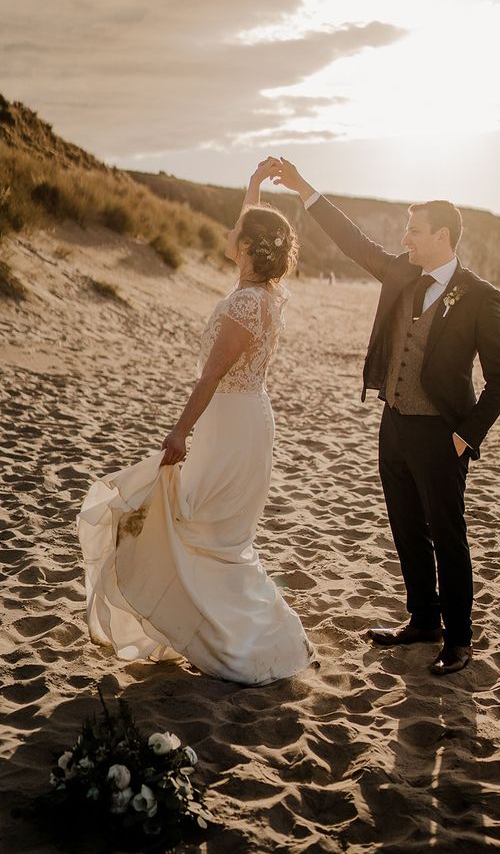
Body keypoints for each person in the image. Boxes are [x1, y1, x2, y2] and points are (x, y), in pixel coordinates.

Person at [272, 157, 500, 676]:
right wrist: (302, 188)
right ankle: (423, 621)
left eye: (415, 230)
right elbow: (352, 240)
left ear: (442, 236)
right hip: (395, 424)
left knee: (448, 535)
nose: (406, 238)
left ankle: (460, 638)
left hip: (442, 433)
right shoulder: (403, 272)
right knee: (406, 527)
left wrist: (465, 438)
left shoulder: (480, 297)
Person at [77, 159, 313, 685]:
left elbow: (208, 378)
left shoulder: (246, 305)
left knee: (201, 528)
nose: (230, 233)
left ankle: (240, 641)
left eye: (237, 233)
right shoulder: (265, 294)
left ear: (248, 248)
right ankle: (253, 631)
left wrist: (180, 431)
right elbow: (250, 227)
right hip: (249, 418)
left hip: (227, 424)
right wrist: (253, 188)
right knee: (218, 533)